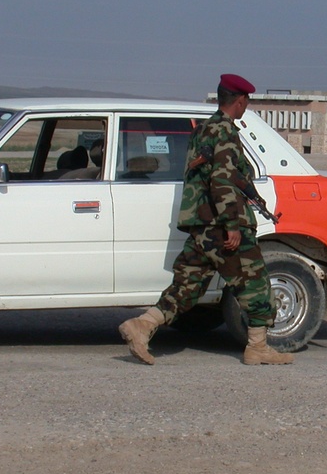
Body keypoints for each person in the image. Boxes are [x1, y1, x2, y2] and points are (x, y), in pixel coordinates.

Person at [118, 73, 293, 366]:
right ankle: (258, 346)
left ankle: (142, 325)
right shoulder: (224, 131)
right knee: (256, 283)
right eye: (246, 101)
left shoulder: (203, 130)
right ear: (240, 101)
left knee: (187, 286)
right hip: (221, 224)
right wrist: (232, 224)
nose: (246, 105)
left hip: (202, 225)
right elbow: (221, 179)